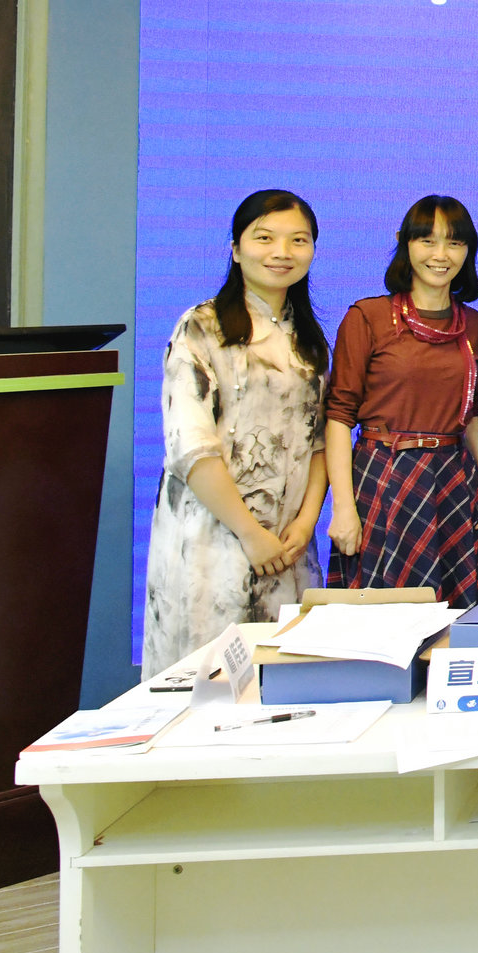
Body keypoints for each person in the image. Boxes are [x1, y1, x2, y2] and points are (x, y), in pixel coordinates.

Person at [141, 190, 330, 675]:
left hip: (287, 546)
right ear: (235, 248)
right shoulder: (202, 327)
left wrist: (305, 525)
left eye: (298, 240)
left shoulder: (308, 338)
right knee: (209, 681)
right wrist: (249, 533)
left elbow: (318, 443)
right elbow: (191, 446)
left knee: (286, 678)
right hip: (214, 539)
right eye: (264, 238)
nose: (282, 252)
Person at [320, 195, 478, 605]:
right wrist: (343, 507)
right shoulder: (367, 316)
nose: (441, 255)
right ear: (405, 243)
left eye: (454, 243)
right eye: (428, 241)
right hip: (383, 475)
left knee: (458, 617)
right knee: (380, 616)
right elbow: (339, 417)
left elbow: (471, 414)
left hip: (454, 480)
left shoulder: (475, 325)